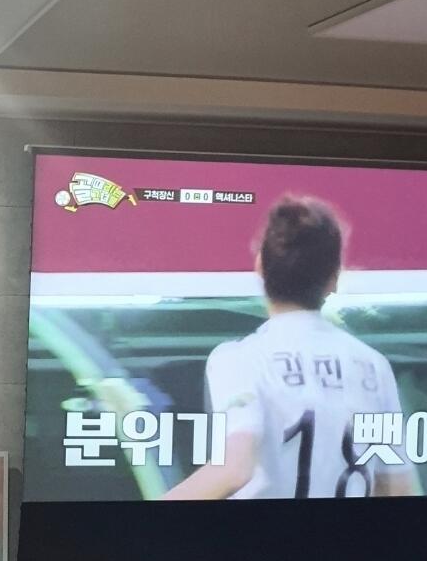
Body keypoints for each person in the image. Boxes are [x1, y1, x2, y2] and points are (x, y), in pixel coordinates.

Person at [163, 196, 413, 500]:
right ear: (334, 279)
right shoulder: (374, 366)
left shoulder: (237, 360)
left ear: (260, 267)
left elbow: (236, 468)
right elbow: (395, 487)